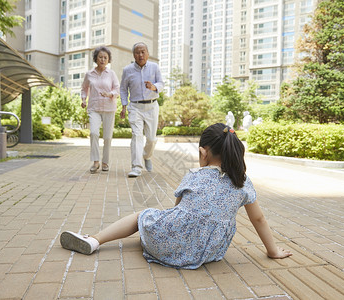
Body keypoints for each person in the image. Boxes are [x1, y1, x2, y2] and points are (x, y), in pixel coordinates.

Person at [60, 123, 293, 269]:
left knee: (144, 215)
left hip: (167, 244)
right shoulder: (243, 183)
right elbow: (259, 219)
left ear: (203, 153)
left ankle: (94, 240)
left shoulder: (194, 175)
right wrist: (272, 251)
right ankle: (139, 240)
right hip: (208, 252)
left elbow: (177, 208)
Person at [120, 42, 164, 177]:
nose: (140, 55)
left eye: (143, 51)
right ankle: (136, 167)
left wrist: (154, 87)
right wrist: (124, 105)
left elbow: (161, 83)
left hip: (151, 106)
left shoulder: (154, 67)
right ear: (134, 55)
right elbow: (123, 89)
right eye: (137, 52)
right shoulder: (127, 70)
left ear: (148, 53)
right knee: (136, 135)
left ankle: (147, 156)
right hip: (135, 107)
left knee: (151, 138)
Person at [81, 46, 120, 173]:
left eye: (105, 58)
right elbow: (84, 88)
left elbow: (117, 89)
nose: (102, 59)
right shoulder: (89, 74)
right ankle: (96, 161)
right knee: (93, 133)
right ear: (96, 58)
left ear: (108, 60)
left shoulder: (111, 74)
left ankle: (105, 162)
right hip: (94, 108)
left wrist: (110, 94)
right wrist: (83, 99)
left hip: (109, 108)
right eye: (100, 57)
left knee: (107, 137)